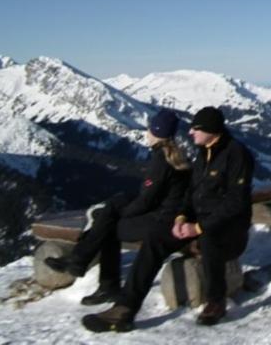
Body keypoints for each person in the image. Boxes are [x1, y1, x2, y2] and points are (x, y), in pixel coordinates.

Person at [82, 106, 255, 332]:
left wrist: (199, 227)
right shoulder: (204, 153)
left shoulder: (236, 154)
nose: (191, 133)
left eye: (196, 129)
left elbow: (236, 203)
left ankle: (216, 301)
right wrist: (182, 218)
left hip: (228, 228)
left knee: (210, 239)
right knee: (156, 238)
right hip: (197, 221)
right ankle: (124, 308)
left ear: (212, 130)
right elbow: (191, 194)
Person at [46, 109, 190, 304]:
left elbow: (147, 201)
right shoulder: (173, 156)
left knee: (110, 223)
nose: (146, 133)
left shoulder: (160, 162)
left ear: (155, 132)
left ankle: (102, 280)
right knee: (114, 205)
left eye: (149, 129)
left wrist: (121, 212)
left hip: (162, 220)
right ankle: (81, 262)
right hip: (166, 213)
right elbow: (154, 196)